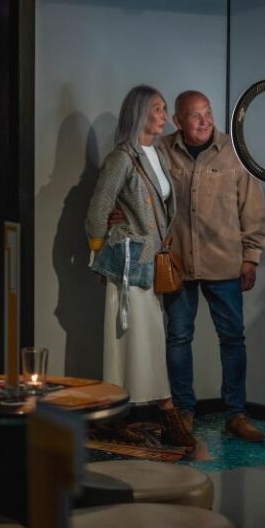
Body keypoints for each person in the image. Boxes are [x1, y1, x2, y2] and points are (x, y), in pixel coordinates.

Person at [85, 85, 197, 449]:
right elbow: (97, 212)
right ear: (139, 113)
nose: (164, 115)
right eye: (158, 108)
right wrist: (100, 258)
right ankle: (162, 414)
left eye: (165, 109)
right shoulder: (122, 157)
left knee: (146, 341)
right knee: (128, 340)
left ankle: (125, 415)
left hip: (149, 261)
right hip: (128, 262)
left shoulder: (157, 155)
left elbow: (160, 207)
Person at [157, 90, 265, 442]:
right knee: (178, 338)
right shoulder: (160, 152)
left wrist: (251, 257)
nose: (204, 120)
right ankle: (184, 412)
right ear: (178, 121)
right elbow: (142, 194)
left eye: (207, 113)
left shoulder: (234, 154)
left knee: (233, 339)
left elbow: (252, 209)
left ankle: (236, 414)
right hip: (178, 263)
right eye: (195, 115)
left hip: (225, 265)